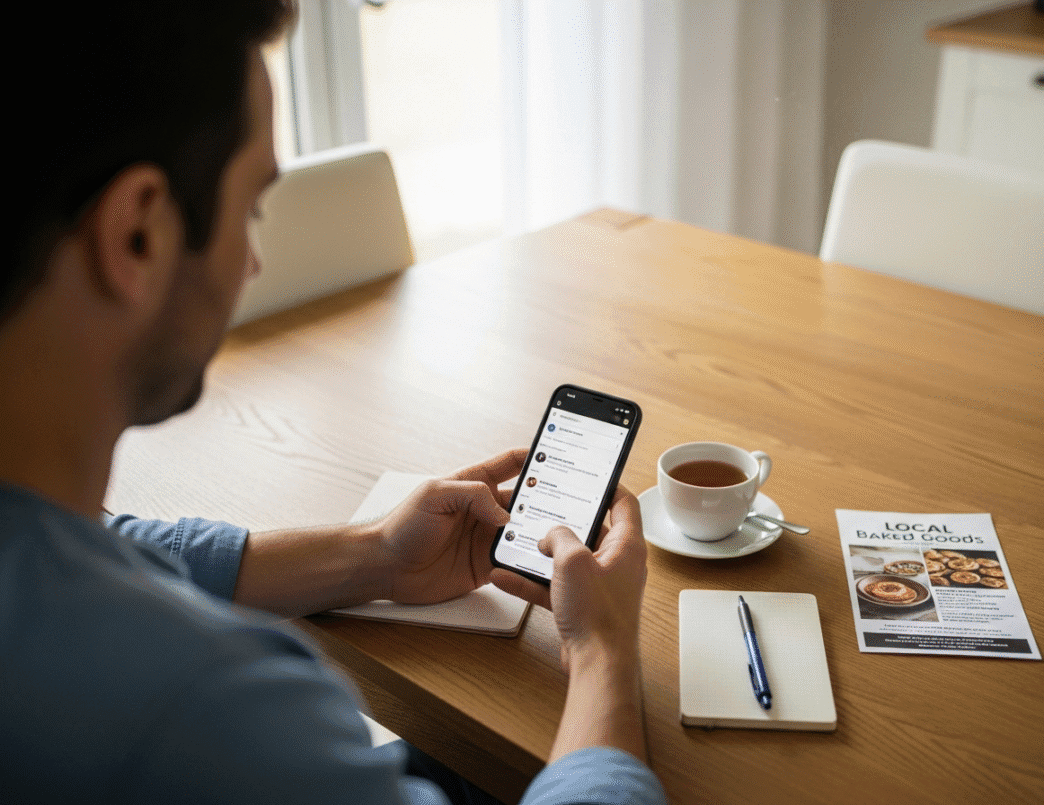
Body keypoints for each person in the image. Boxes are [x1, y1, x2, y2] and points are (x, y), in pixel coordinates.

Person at [0, 3, 665, 804]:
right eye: (251, 208)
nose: (251, 262)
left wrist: (373, 554)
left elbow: (117, 540)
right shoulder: (207, 705)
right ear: (138, 233)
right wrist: (603, 653)